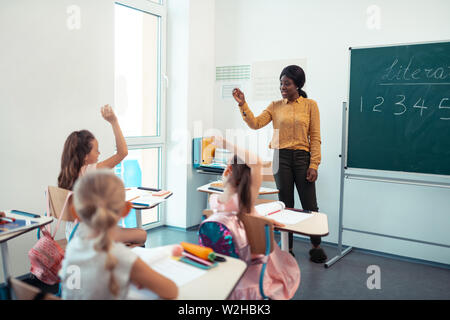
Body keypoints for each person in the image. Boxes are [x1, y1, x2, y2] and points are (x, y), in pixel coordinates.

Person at [232, 65, 327, 263]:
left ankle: (316, 246)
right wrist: (243, 104)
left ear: (298, 85)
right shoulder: (275, 105)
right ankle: (288, 248)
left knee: (310, 204)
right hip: (280, 157)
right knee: (286, 204)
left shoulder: (310, 105)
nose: (282, 87)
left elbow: (316, 137)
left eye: (287, 84)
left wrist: (314, 165)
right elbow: (256, 123)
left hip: (303, 158)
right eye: (281, 83)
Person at [199, 136, 300, 300]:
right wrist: (227, 144)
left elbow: (240, 221)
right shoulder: (245, 201)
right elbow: (257, 162)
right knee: (285, 264)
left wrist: (260, 220)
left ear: (227, 170)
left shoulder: (215, 201)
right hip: (251, 275)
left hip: (225, 272)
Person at [59, 170, 178, 300]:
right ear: (126, 210)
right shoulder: (121, 257)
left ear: (74, 211)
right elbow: (171, 291)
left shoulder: (72, 248)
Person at [57, 104, 146, 245]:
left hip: (73, 235)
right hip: (91, 237)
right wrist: (114, 121)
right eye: (96, 150)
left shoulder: (66, 173)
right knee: (142, 234)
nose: (99, 154)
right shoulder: (88, 171)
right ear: (85, 156)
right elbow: (122, 153)